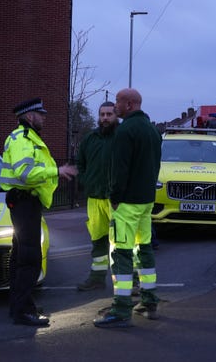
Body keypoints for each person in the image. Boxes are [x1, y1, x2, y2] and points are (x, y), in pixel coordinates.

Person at [0, 97, 73, 327]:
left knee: (20, 256)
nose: (44, 118)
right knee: (30, 258)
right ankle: (23, 311)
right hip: (25, 203)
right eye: (41, 114)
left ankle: (19, 306)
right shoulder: (23, 139)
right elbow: (26, 173)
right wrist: (56, 170)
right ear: (30, 116)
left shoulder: (26, 137)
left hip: (23, 203)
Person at [93, 88, 162, 328]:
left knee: (121, 253)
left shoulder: (125, 131)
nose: (116, 105)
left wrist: (114, 196)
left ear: (130, 104)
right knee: (144, 249)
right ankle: (149, 301)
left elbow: (119, 169)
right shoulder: (153, 130)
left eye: (119, 102)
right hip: (146, 202)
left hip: (127, 204)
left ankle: (121, 310)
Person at [74, 101, 118, 291]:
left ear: (116, 115)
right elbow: (80, 163)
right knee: (98, 239)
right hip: (94, 197)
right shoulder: (90, 139)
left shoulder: (122, 137)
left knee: (121, 242)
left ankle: (128, 279)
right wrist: (86, 181)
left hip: (116, 199)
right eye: (102, 114)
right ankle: (97, 278)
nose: (105, 118)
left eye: (109, 114)